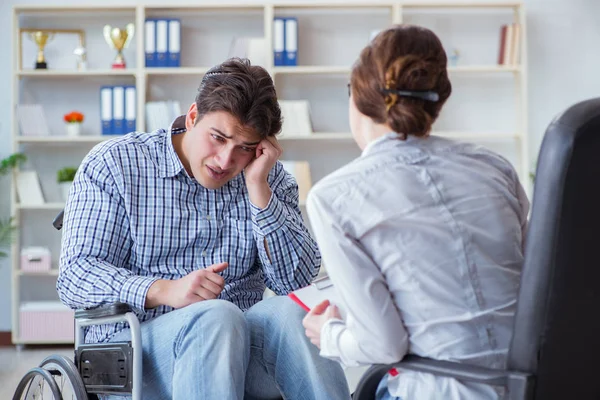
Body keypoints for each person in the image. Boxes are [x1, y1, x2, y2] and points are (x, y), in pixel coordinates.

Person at [57, 57, 351, 400]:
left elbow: (294, 283)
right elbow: (76, 276)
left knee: (292, 313)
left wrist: (259, 192)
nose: (225, 160)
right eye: (218, 138)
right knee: (215, 317)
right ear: (193, 116)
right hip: (136, 353)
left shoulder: (268, 180)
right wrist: (164, 290)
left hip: (238, 352)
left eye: (243, 148)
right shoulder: (115, 163)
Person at [302, 25, 529, 400]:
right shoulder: (495, 168)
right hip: (534, 384)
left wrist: (328, 332)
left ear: (357, 99)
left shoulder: (333, 197)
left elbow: (384, 346)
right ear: (438, 99)